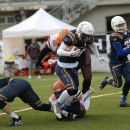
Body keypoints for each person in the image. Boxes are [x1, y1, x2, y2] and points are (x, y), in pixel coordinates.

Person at [52, 21, 106, 119]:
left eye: (88, 36)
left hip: (73, 66)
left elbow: (93, 44)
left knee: (75, 91)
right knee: (71, 89)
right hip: (63, 66)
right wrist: (69, 54)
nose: (87, 38)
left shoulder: (88, 37)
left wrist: (98, 56)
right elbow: (59, 51)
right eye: (85, 35)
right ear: (80, 32)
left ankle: (69, 109)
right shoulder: (71, 37)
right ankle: (57, 104)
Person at [100, 16, 130, 107]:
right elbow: (120, 52)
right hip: (115, 63)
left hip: (125, 61)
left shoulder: (127, 32)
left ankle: (123, 101)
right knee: (118, 84)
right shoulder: (114, 36)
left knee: (129, 80)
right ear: (114, 26)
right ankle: (107, 80)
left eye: (122, 24)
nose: (121, 26)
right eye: (119, 25)